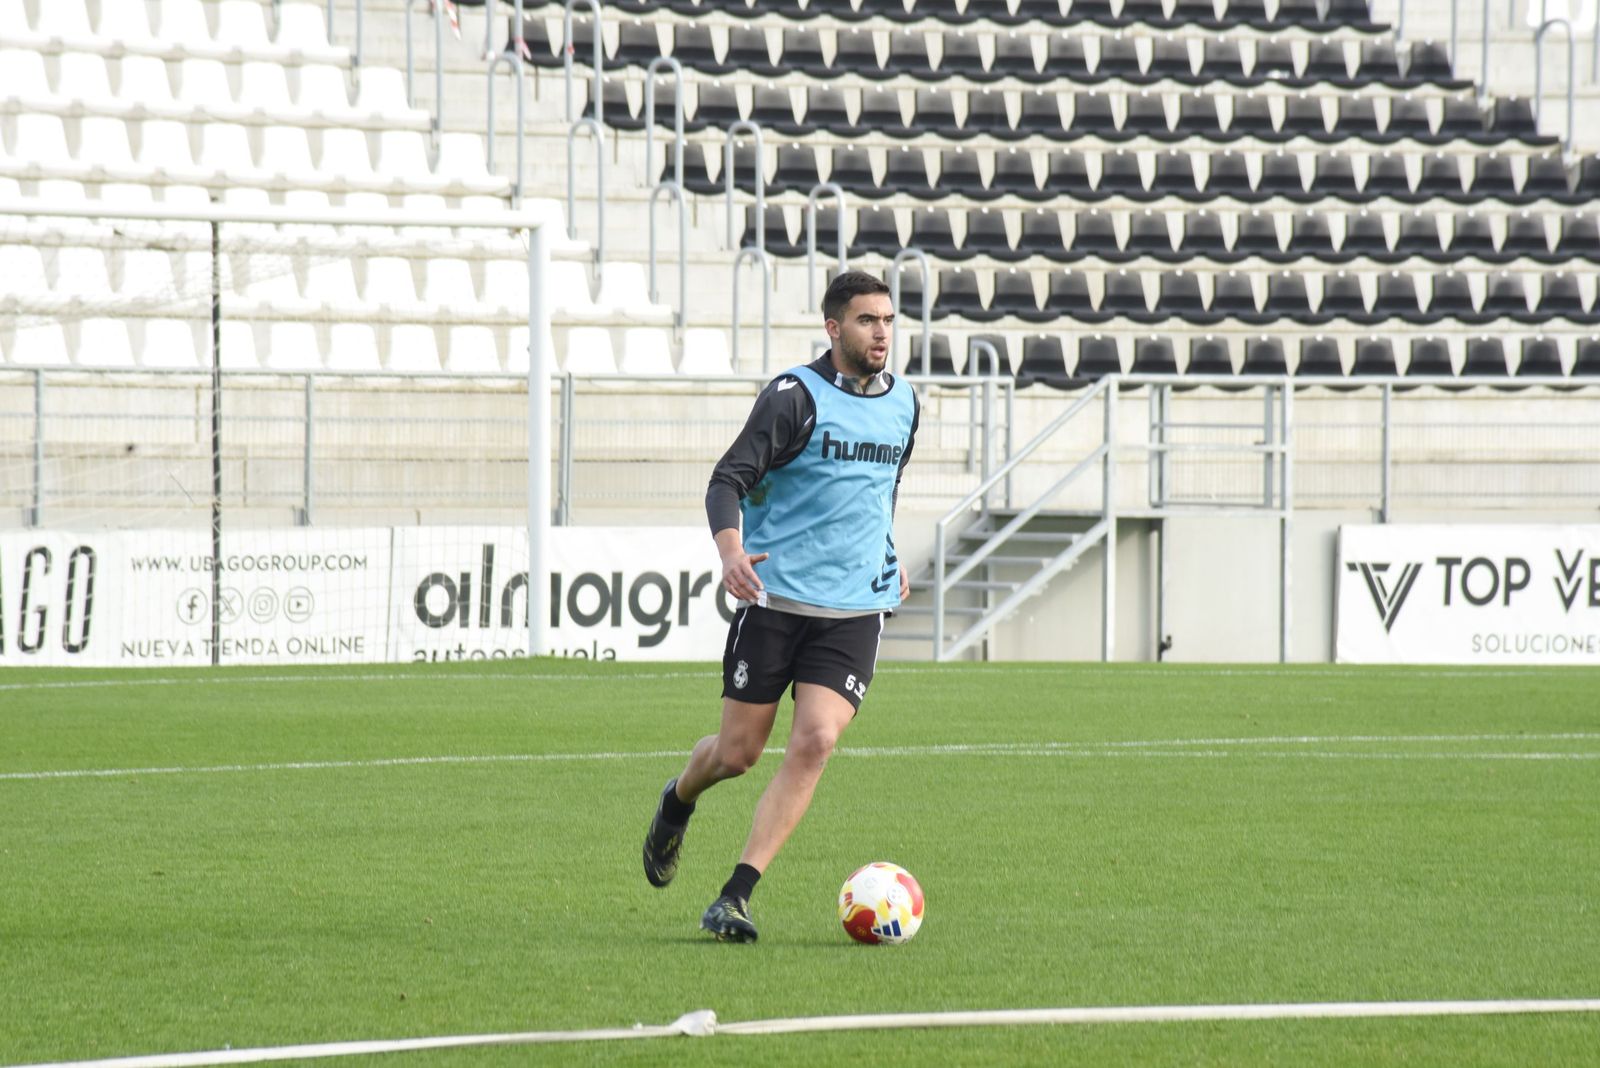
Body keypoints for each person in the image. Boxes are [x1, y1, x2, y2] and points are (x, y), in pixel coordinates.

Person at [641, 270, 920, 943]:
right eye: (865, 321)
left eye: (887, 320)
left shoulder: (906, 401)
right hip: (777, 600)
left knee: (817, 740)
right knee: (737, 754)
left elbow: (880, 488)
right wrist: (732, 553)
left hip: (854, 610)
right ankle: (677, 800)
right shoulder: (794, 398)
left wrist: (886, 550)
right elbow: (728, 479)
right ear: (833, 328)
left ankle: (735, 894)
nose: (880, 332)